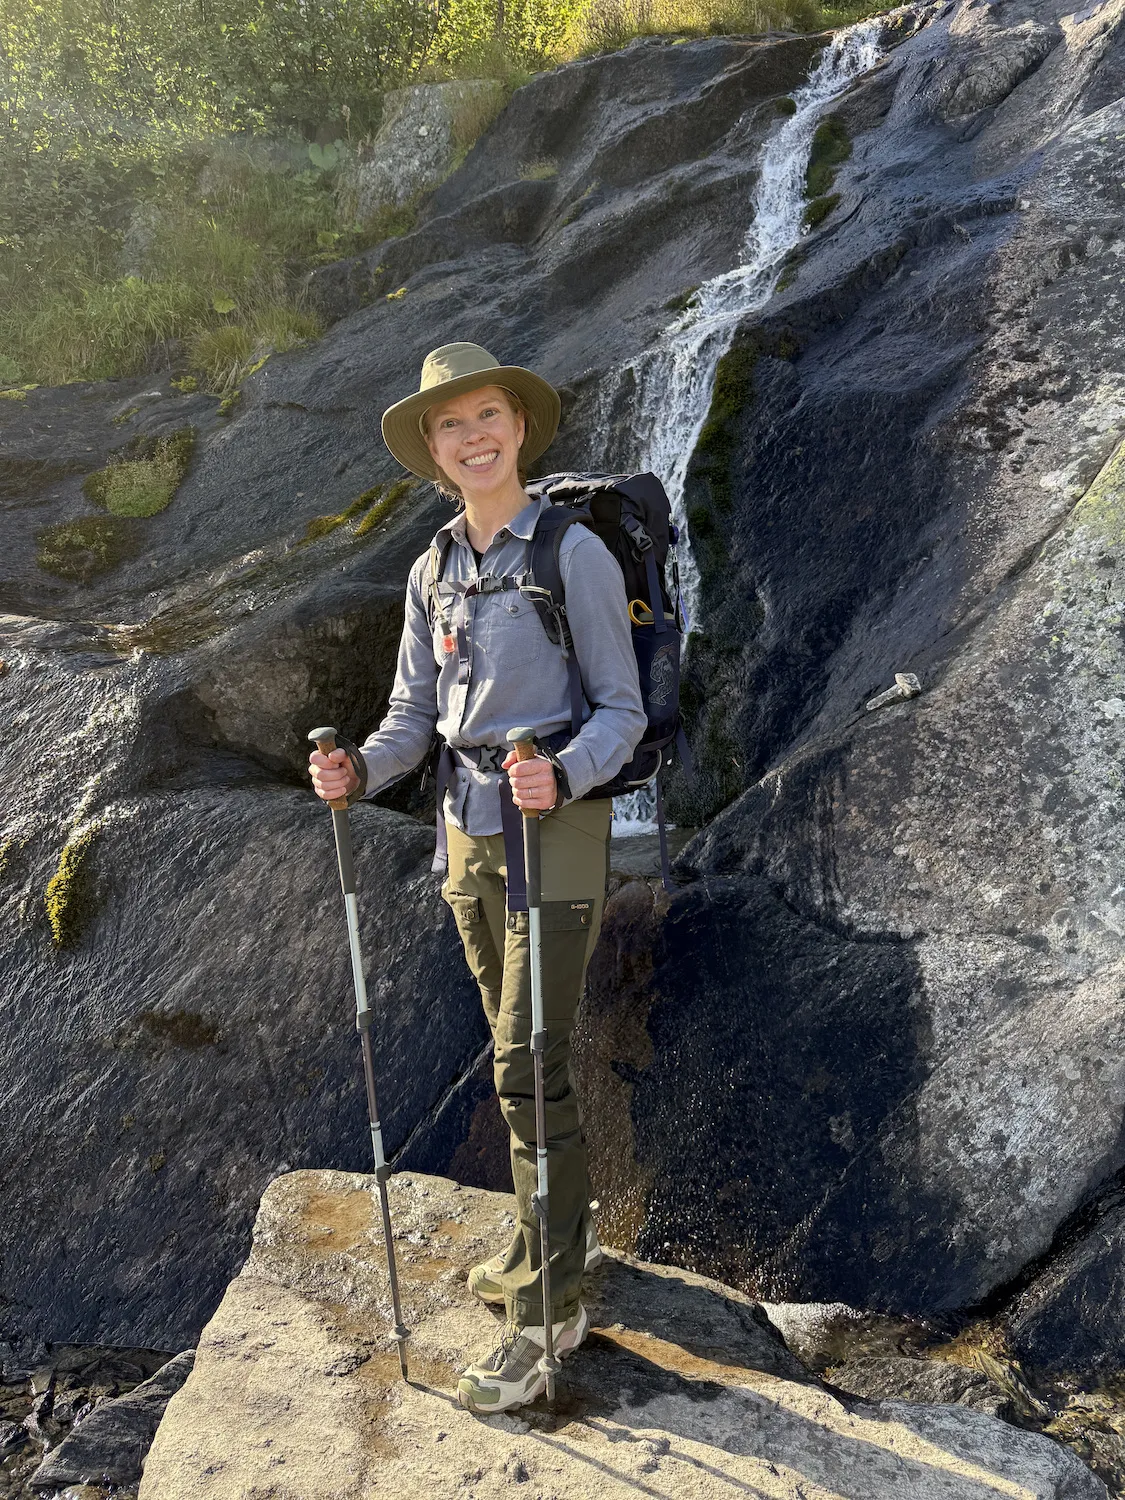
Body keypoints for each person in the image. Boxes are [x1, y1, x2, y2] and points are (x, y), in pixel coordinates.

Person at [308, 342, 647, 1412]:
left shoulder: (572, 551)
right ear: (433, 448)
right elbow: (415, 720)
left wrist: (567, 775)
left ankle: (548, 1314)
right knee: (521, 1060)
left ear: (518, 425)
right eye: (451, 425)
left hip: (557, 834)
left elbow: (622, 712)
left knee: (525, 1060)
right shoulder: (433, 568)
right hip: (467, 835)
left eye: (488, 414)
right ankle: (554, 1243)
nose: (473, 437)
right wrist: (359, 768)